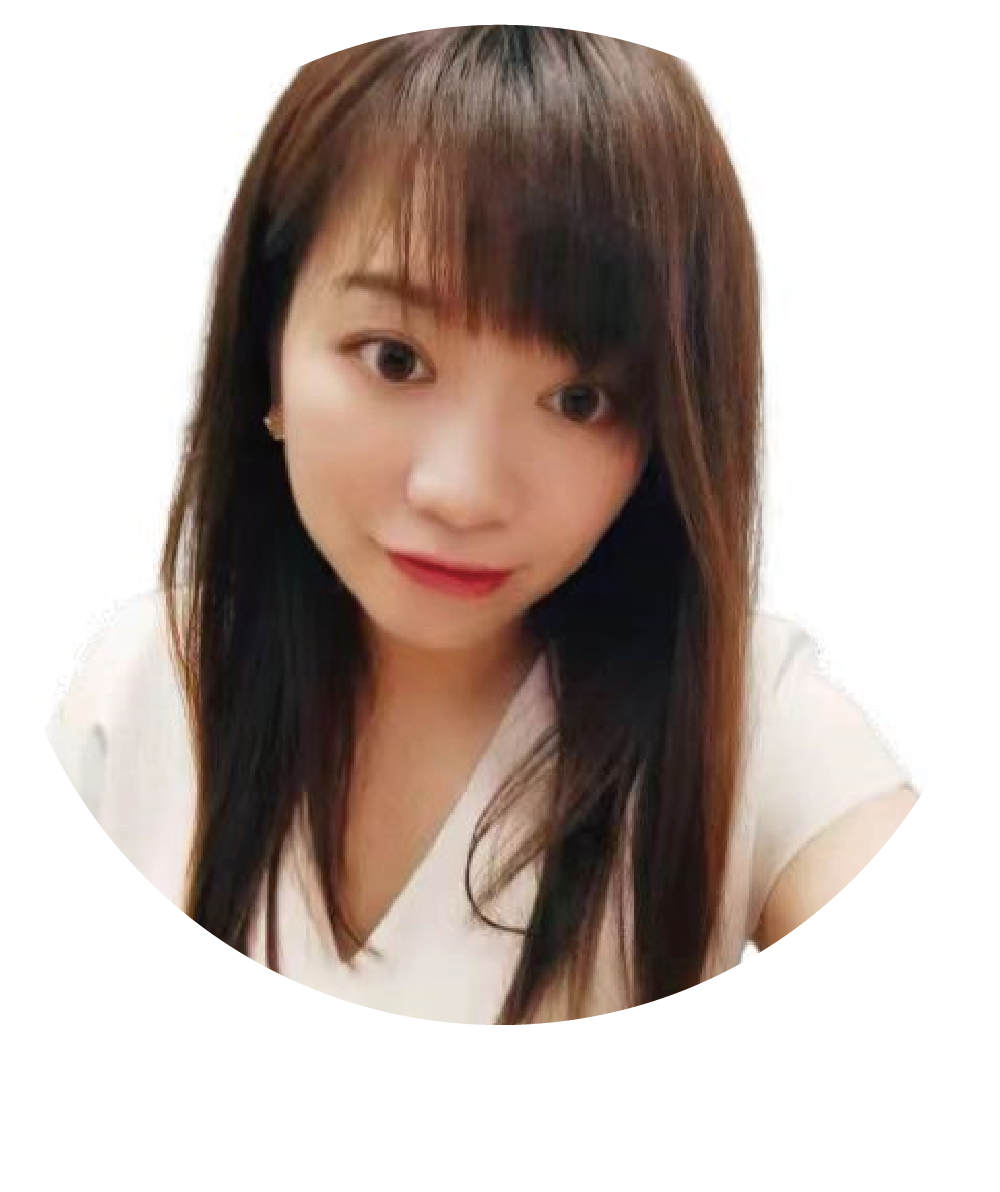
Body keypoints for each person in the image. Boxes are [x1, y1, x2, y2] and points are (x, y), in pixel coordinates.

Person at [44, 26, 919, 1025]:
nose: (462, 492)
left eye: (580, 400)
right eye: (394, 359)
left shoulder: (745, 721)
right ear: (267, 348)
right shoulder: (144, 689)